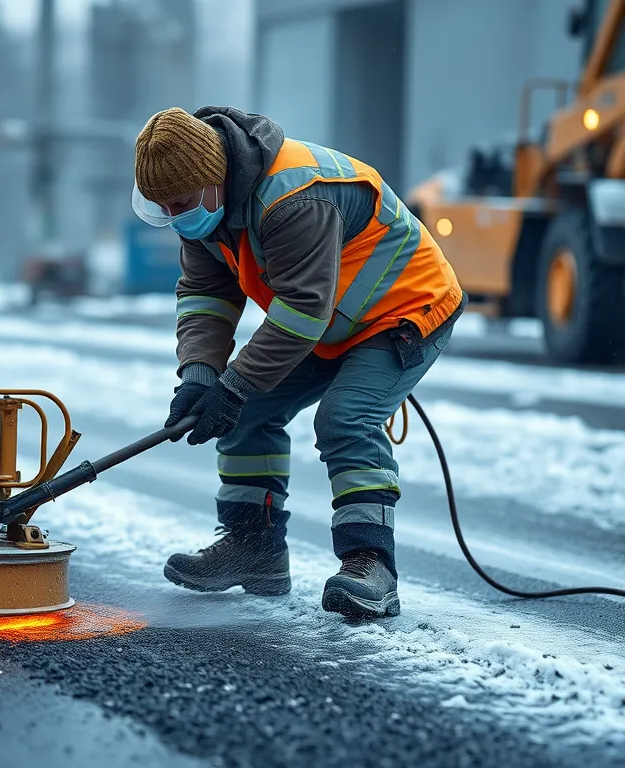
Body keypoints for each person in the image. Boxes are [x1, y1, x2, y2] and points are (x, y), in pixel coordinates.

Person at [132, 107, 465, 618]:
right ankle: (255, 549)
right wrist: (200, 377)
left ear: (213, 179)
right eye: (164, 208)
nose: (177, 217)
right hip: (329, 319)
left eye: (180, 205)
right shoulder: (202, 210)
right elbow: (205, 295)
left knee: (346, 417)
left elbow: (304, 309)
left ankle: (369, 563)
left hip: (403, 309)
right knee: (246, 409)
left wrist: (234, 382)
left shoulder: (292, 197)